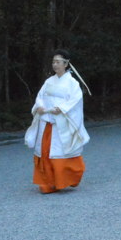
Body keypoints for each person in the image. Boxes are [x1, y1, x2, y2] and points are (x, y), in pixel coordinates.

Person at [25, 50, 90, 193]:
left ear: (66, 64)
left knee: (61, 151)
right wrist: (40, 106)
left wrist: (62, 108)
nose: (55, 64)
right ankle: (47, 183)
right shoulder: (48, 81)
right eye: (53, 62)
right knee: (45, 151)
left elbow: (75, 100)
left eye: (58, 62)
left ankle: (65, 179)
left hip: (61, 122)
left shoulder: (72, 83)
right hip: (47, 122)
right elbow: (40, 96)